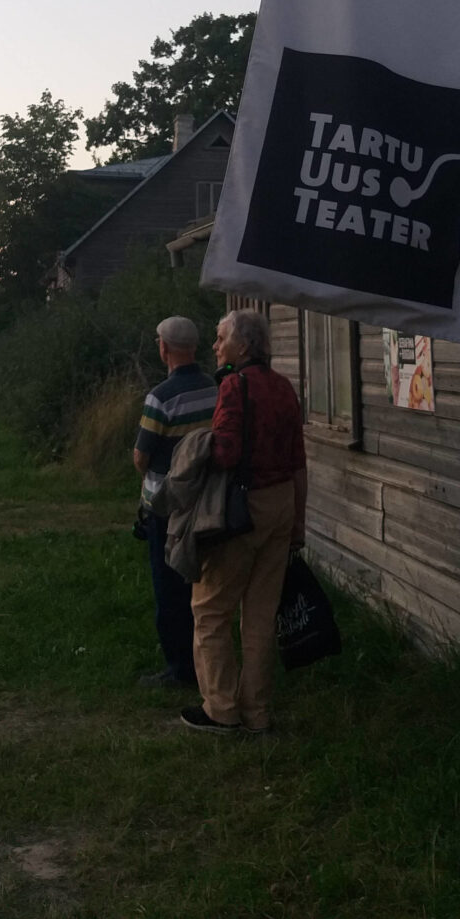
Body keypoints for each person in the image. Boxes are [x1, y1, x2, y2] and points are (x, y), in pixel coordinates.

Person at [181, 309, 307, 736]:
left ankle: (221, 709)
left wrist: (199, 445)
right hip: (282, 503)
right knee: (260, 615)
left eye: (221, 338)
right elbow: (299, 462)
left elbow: (226, 454)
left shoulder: (235, 386)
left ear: (244, 345)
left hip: (242, 509)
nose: (215, 346)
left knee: (210, 609)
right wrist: (299, 523)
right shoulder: (284, 387)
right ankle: (257, 713)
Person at [133, 316, 218, 687]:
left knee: (168, 587)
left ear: (164, 348)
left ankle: (179, 668)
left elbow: (141, 457)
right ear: (194, 347)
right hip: (208, 501)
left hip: (167, 506)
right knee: (203, 583)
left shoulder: (160, 397)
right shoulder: (215, 389)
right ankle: (205, 659)